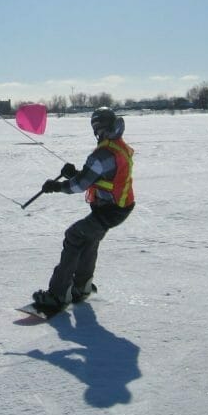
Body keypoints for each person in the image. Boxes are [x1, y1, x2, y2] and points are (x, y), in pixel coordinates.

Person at [31, 107, 135, 310]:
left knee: (74, 235)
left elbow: (80, 185)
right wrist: (75, 174)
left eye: (96, 128)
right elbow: (98, 178)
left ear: (100, 128)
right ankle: (82, 285)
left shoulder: (103, 154)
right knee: (88, 237)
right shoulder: (117, 147)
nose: (96, 132)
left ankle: (59, 294)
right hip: (118, 207)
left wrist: (57, 186)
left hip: (110, 210)